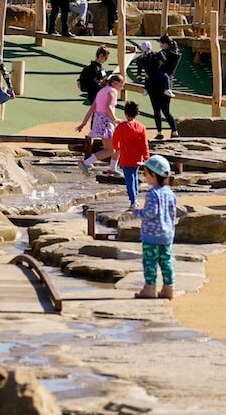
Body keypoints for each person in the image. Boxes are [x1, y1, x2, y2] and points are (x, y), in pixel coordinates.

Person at [135, 155, 176, 300]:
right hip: (167, 235)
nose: (144, 176)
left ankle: (150, 288)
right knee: (166, 262)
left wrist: (137, 212)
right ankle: (168, 288)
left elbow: (151, 212)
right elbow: (172, 213)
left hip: (152, 236)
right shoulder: (170, 193)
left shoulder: (153, 193)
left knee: (150, 262)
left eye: (145, 173)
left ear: (153, 175)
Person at [77, 74, 125, 175]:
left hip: (98, 119)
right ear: (115, 83)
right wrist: (115, 119)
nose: (121, 88)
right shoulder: (113, 91)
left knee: (117, 146)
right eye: (121, 85)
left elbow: (92, 108)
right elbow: (108, 107)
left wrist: (84, 123)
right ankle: (86, 163)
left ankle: (113, 168)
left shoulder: (101, 91)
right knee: (110, 150)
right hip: (106, 121)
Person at [139, 37, 180, 139]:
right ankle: (173, 132)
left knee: (157, 109)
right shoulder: (172, 54)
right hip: (163, 84)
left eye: (161, 43)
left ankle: (160, 132)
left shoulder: (167, 54)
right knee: (165, 110)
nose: (160, 45)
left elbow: (155, 62)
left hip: (156, 84)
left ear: (165, 44)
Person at [114, 100, 150, 209]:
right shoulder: (141, 127)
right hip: (137, 157)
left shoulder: (121, 127)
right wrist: (146, 157)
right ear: (137, 114)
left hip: (126, 157)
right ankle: (135, 198)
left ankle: (133, 200)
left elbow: (115, 140)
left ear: (125, 113)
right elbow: (145, 144)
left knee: (129, 179)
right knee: (134, 176)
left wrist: (117, 147)